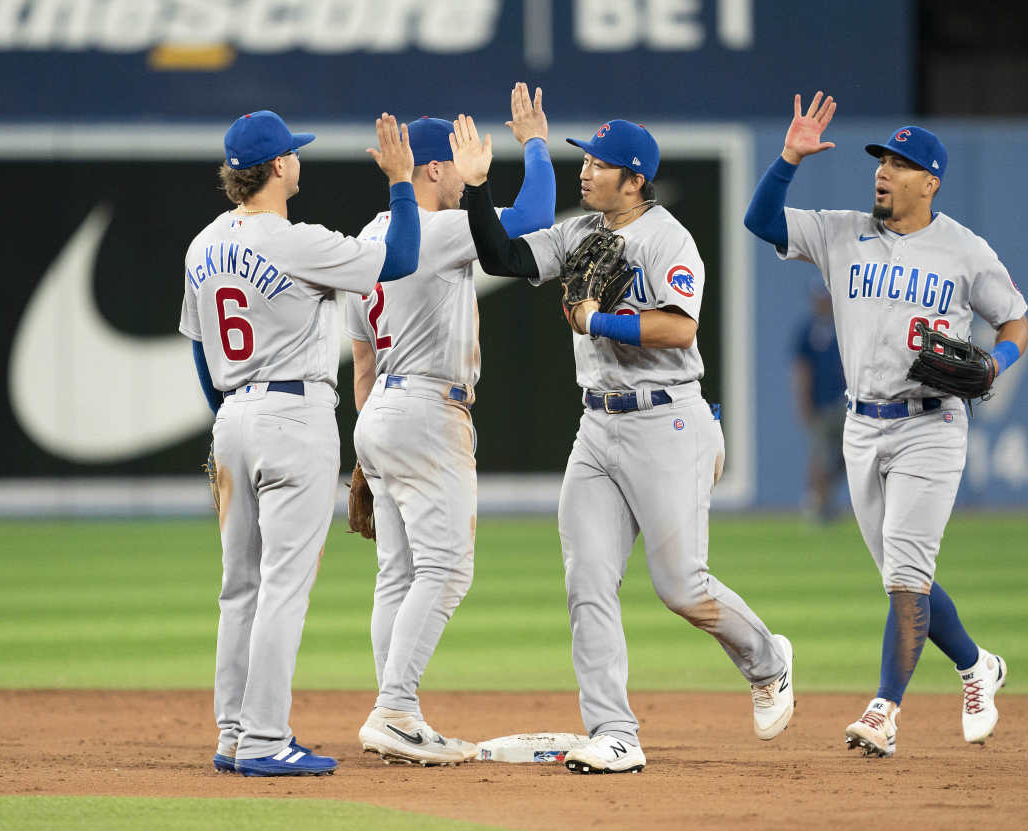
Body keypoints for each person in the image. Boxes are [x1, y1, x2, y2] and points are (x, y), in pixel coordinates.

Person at [449, 114, 795, 774]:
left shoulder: (669, 240)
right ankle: (615, 731)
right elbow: (506, 257)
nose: (585, 170)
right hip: (597, 427)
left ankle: (769, 660)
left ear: (634, 181)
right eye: (583, 159)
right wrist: (475, 190)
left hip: (668, 423)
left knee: (681, 587)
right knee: (587, 582)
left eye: (599, 164)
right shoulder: (582, 231)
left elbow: (678, 331)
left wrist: (597, 318)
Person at [744, 92, 1028, 757]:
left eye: (900, 164)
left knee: (906, 575)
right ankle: (977, 666)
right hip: (860, 427)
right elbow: (761, 221)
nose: (883, 171)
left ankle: (883, 711)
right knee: (909, 580)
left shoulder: (964, 250)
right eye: (881, 160)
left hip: (931, 426)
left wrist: (997, 363)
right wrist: (789, 158)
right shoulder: (842, 231)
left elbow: (1015, 320)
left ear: (929, 182)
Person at [179, 109, 420, 776]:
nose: (298, 160)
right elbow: (398, 259)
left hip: (233, 420)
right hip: (294, 415)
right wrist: (402, 182)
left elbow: (202, 355)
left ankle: (233, 733)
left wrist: (228, 421)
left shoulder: (202, 245)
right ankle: (263, 739)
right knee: (284, 588)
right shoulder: (295, 240)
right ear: (279, 167)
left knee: (240, 591)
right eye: (294, 153)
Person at [345, 83, 556, 766]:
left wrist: (363, 454)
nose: (466, 165)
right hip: (429, 410)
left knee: (397, 577)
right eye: (457, 159)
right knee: (446, 570)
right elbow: (534, 215)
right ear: (434, 168)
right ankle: (396, 710)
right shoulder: (438, 229)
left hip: (380, 412)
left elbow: (362, 359)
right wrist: (534, 142)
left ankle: (395, 710)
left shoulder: (368, 238)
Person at [792, 282, 847, 522]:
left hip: (846, 403)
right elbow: (802, 370)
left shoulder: (845, 327)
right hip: (821, 404)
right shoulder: (808, 331)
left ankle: (824, 497)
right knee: (821, 456)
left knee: (849, 456)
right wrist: (803, 403)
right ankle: (817, 502)